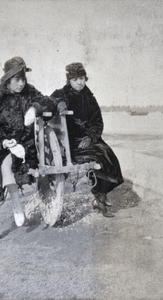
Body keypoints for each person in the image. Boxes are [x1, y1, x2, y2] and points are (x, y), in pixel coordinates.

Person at [0, 57, 66, 246]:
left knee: (7, 166)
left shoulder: (30, 93)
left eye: (23, 79)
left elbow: (49, 102)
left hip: (25, 146)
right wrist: (3, 141)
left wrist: (35, 109)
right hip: (0, 146)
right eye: (17, 79)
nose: (21, 83)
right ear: (7, 80)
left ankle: (17, 205)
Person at [51, 62, 124, 217]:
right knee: (99, 157)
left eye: (82, 78)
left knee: (111, 159)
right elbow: (50, 102)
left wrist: (91, 137)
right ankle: (99, 196)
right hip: (70, 143)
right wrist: (59, 103)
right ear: (69, 80)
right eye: (75, 78)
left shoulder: (90, 98)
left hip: (89, 139)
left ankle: (100, 194)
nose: (80, 82)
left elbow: (98, 122)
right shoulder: (61, 94)